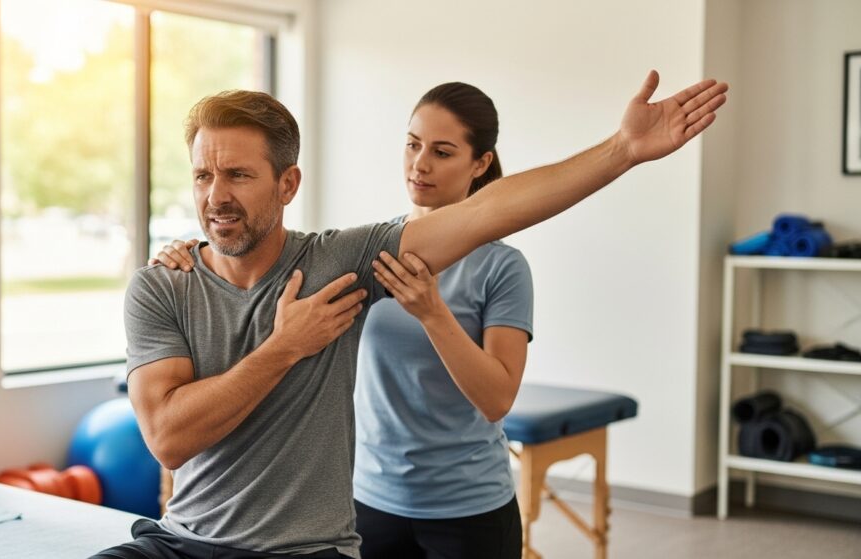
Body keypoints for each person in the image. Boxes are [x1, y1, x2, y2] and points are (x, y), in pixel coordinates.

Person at [94, 71, 727, 559]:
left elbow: (493, 212)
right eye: (203, 175)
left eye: (237, 174)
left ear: (288, 184)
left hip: (316, 546)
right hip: (188, 539)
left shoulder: (342, 263)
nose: (215, 196)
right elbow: (169, 439)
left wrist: (622, 149)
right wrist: (284, 347)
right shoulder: (161, 285)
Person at [157, 82, 530, 559]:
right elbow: (256, 255)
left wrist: (433, 313)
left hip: (466, 505)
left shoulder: (501, 267)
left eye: (442, 151)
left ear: (480, 163)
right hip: (371, 498)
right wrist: (191, 250)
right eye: (412, 144)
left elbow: (497, 398)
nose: (420, 163)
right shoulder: (373, 249)